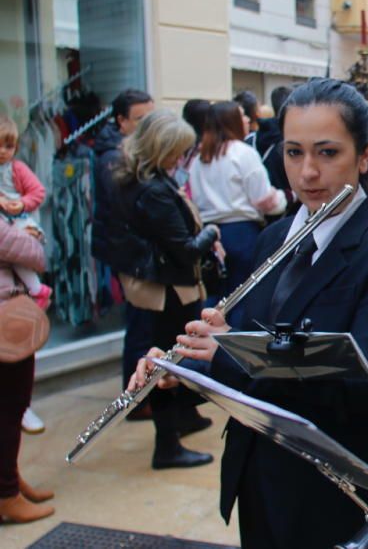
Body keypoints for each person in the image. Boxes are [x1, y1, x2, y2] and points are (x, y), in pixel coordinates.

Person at [132, 79, 368, 548]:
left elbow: (363, 381)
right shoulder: (274, 239)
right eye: (293, 153)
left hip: (338, 495)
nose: (307, 172)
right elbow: (246, 347)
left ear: (365, 156)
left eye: (328, 152)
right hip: (262, 477)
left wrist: (225, 355)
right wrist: (182, 369)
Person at [113, 110, 219, 469]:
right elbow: (186, 247)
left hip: (163, 285)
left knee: (170, 358)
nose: (183, 158)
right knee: (167, 362)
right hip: (168, 290)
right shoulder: (155, 190)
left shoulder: (139, 181)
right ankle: (167, 445)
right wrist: (212, 234)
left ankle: (179, 425)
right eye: (180, 151)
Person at [189, 101, 286, 316]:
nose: (247, 120)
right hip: (242, 233)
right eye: (242, 115)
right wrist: (283, 199)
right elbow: (263, 199)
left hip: (210, 234)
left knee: (214, 297)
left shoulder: (199, 158)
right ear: (230, 121)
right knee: (242, 296)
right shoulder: (243, 153)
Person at [91, 88, 157, 398]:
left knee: (142, 324)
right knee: (140, 326)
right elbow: (124, 209)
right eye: (141, 119)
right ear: (121, 121)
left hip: (133, 251)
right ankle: (135, 398)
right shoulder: (113, 156)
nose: (147, 125)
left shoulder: (125, 149)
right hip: (129, 254)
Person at [0, 219, 54, 524]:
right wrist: (25, 236)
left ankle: (9, 478)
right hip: (5, 323)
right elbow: (35, 254)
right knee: (10, 407)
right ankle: (6, 495)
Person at [0, 116, 49, 307]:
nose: (3, 151)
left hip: (18, 218)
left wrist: (22, 203)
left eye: (9, 146)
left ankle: (37, 290)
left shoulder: (17, 168)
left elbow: (38, 191)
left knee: (19, 257)